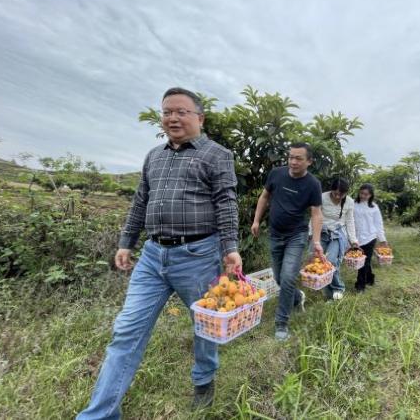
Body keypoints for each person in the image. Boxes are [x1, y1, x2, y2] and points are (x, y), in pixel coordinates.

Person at [77, 87, 241, 418]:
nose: (173, 118)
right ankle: (100, 414)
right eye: (167, 112)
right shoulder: (154, 156)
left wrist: (230, 249)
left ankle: (204, 380)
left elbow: (226, 202)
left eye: (181, 111)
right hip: (152, 257)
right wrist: (126, 242)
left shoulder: (216, 154)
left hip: (197, 255)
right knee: (127, 330)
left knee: (205, 327)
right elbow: (141, 201)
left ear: (200, 118)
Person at [251, 143, 324, 341]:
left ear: (309, 161)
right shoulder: (276, 174)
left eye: (299, 158)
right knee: (278, 278)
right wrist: (257, 220)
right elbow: (264, 197)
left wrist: (316, 241)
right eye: (290, 157)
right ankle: (297, 297)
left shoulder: (313, 184)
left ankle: (281, 323)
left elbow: (316, 213)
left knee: (288, 277)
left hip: (296, 236)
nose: (293, 161)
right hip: (275, 234)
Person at [310, 177, 359, 301]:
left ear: (346, 192)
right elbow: (315, 216)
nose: (337, 196)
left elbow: (350, 221)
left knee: (331, 261)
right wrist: (311, 234)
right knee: (321, 262)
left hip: (337, 234)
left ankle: (338, 288)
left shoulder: (349, 202)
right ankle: (329, 292)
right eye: (335, 193)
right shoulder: (322, 197)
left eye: (341, 194)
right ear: (331, 190)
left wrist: (353, 240)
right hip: (321, 232)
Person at [353, 183, 388, 292]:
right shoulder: (353, 204)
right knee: (361, 261)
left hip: (370, 237)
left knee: (364, 261)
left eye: (366, 194)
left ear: (371, 195)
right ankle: (370, 277)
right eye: (362, 193)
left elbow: (378, 224)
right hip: (356, 238)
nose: (363, 196)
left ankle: (360, 286)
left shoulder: (374, 207)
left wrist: (382, 239)